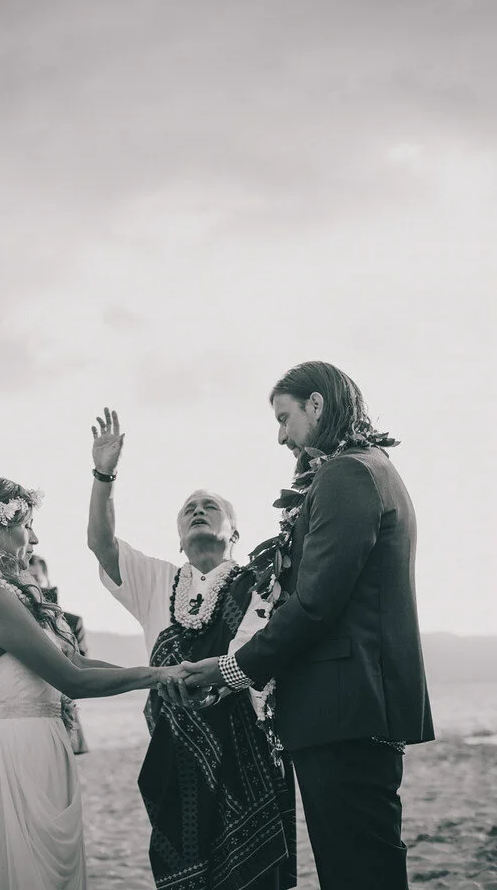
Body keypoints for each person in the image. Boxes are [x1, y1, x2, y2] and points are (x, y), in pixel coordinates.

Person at [179, 362, 435, 890]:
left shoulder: (348, 474)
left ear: (316, 404)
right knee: (364, 866)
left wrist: (231, 668)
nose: (281, 437)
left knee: (358, 871)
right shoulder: (371, 469)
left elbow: (316, 603)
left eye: (284, 418)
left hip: (344, 708)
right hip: (354, 707)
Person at [0, 475, 186, 890]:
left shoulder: (12, 595)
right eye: (26, 524)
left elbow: (78, 662)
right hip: (15, 748)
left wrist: (158, 674)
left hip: (41, 741)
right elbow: (73, 681)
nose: (34, 538)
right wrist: (157, 676)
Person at [88, 409, 296, 890]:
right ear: (179, 539)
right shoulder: (156, 580)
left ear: (235, 533)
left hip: (250, 756)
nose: (198, 510)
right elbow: (101, 543)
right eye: (189, 509)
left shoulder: (262, 583)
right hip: (176, 755)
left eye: (210, 506)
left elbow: (259, 657)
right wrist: (104, 476)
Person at [28, 555, 90, 753]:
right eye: (28, 577)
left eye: (36, 578)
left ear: (46, 579)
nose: (33, 583)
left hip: (63, 707)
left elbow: (81, 665)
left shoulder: (71, 621)